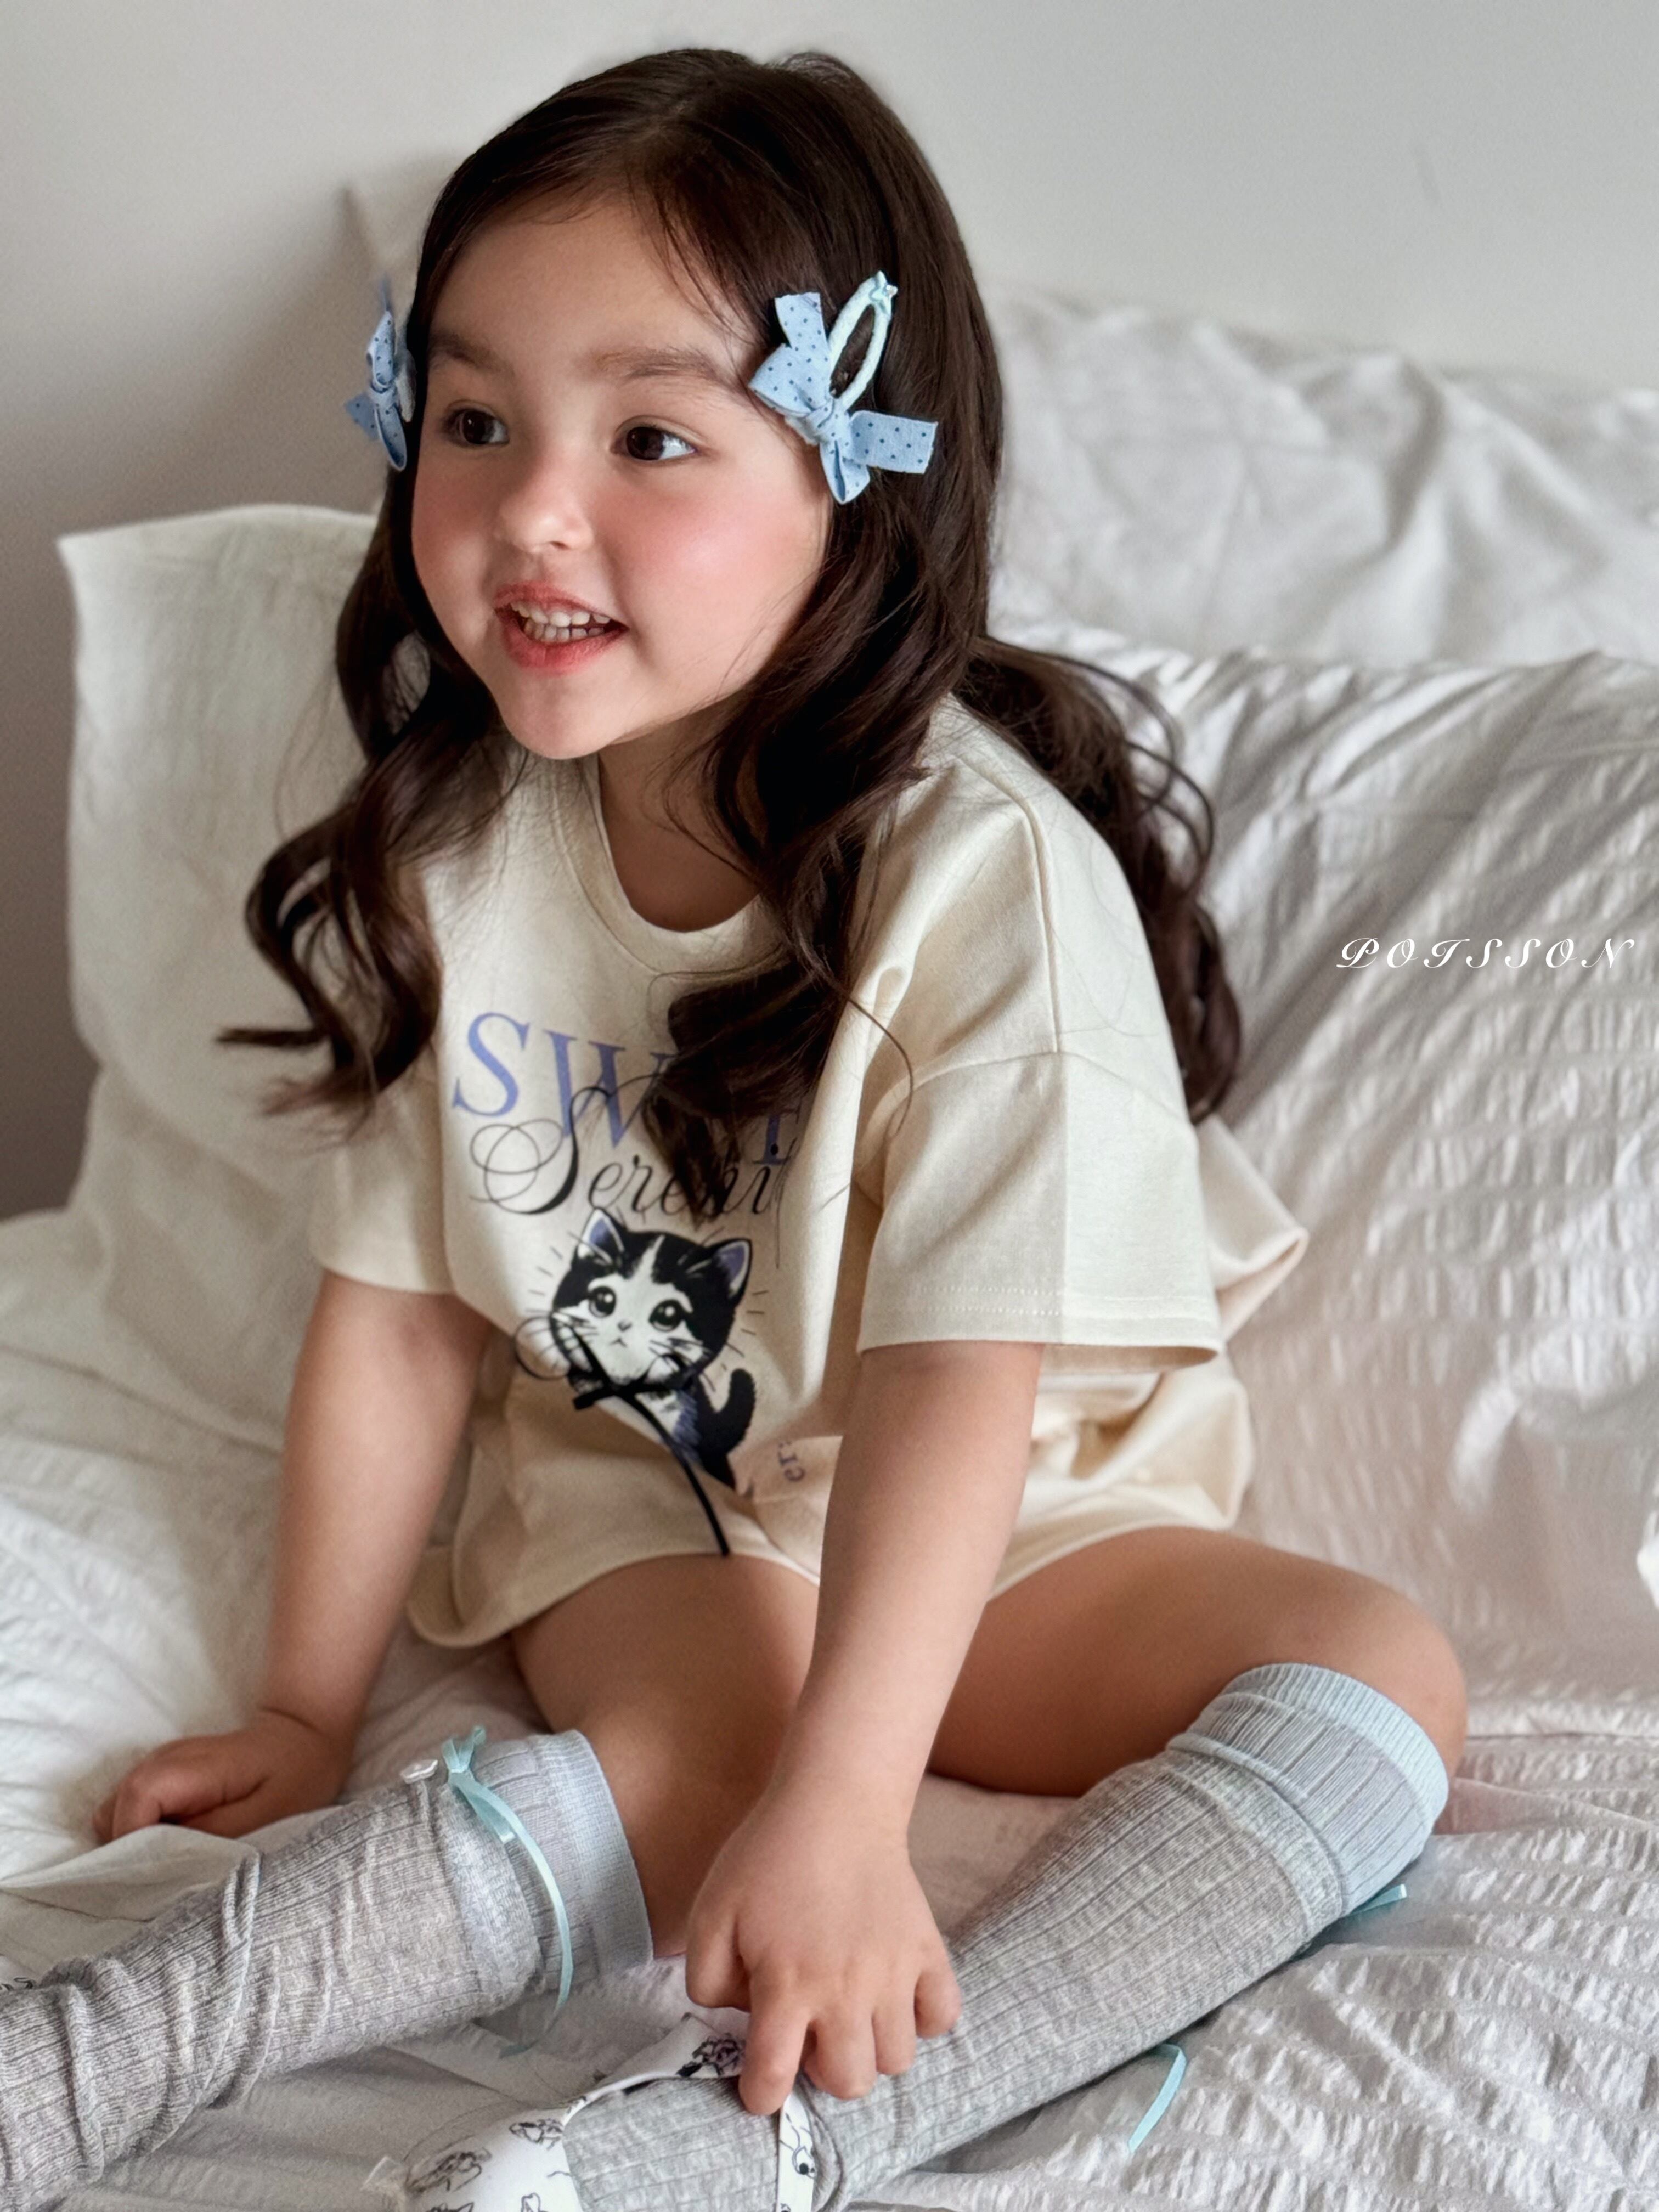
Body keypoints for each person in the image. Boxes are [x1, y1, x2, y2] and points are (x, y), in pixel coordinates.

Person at [0, 44, 1467, 2212]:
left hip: (1016, 1511)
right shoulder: (469, 841)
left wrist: (856, 1821)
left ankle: (776, 2148)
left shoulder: (979, 881)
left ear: (854, 483)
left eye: (651, 437)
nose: (532, 511)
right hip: (663, 1493)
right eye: (474, 420)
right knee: (724, 1745)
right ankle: (86, 2059)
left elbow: (963, 1375)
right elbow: (401, 1313)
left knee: (1381, 1674)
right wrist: (308, 1708)